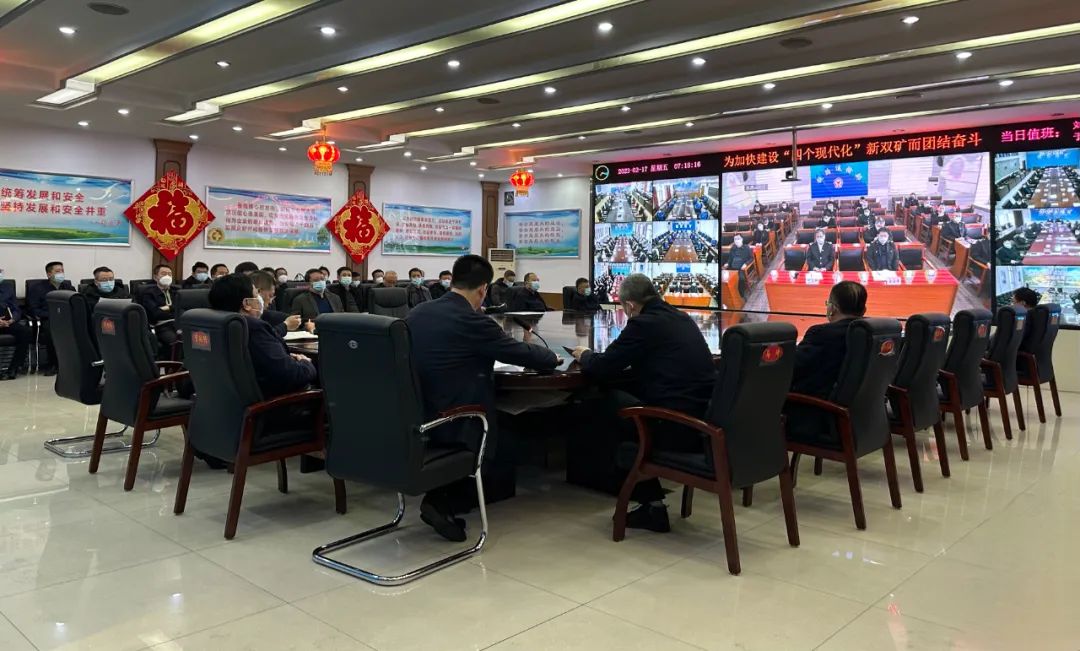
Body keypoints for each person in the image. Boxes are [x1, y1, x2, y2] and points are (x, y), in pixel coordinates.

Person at [406, 254, 558, 541]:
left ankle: (442, 496)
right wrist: (550, 356)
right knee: (511, 425)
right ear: (483, 289)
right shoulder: (473, 321)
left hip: (416, 412)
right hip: (456, 419)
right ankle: (443, 501)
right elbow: (524, 354)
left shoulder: (417, 313)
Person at [570, 274, 717, 532]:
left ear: (629, 305)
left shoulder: (643, 324)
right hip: (704, 421)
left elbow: (603, 367)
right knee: (621, 397)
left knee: (604, 401)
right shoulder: (680, 317)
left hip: (676, 427)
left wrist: (586, 355)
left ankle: (652, 504)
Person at [208, 273, 316, 398]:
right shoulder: (255, 327)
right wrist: (305, 363)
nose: (259, 298)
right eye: (256, 294)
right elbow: (294, 376)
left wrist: (281, 357)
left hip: (224, 401)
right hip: (271, 404)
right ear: (246, 303)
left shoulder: (212, 323)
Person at [789, 280, 866, 399]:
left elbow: (792, 369)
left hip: (815, 404)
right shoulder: (872, 333)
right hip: (858, 404)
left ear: (832, 308)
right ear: (864, 310)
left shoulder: (820, 333)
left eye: (828, 303)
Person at [26, 261, 76, 375]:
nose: (61, 273)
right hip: (47, 319)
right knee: (52, 333)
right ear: (49, 274)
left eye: (62, 271)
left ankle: (73, 363)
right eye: (58, 271)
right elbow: (33, 309)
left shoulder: (68, 287)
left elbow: (75, 305)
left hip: (66, 319)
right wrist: (52, 315)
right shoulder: (37, 288)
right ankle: (53, 364)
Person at [141, 264, 180, 356]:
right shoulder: (148, 293)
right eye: (163, 274)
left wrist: (167, 308)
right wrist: (172, 308)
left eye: (169, 274)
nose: (167, 276)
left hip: (179, 323)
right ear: (155, 277)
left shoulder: (178, 291)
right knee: (176, 342)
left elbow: (181, 309)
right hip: (162, 326)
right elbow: (156, 313)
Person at [0, 268, 30, 380]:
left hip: (7, 321)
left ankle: (14, 368)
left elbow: (16, 308)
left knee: (25, 332)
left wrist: (12, 319)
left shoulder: (7, 287)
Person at [251, 271, 301, 337]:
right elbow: (263, 337)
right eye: (270, 296)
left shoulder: (265, 314)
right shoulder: (247, 317)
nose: (270, 302)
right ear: (258, 292)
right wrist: (285, 326)